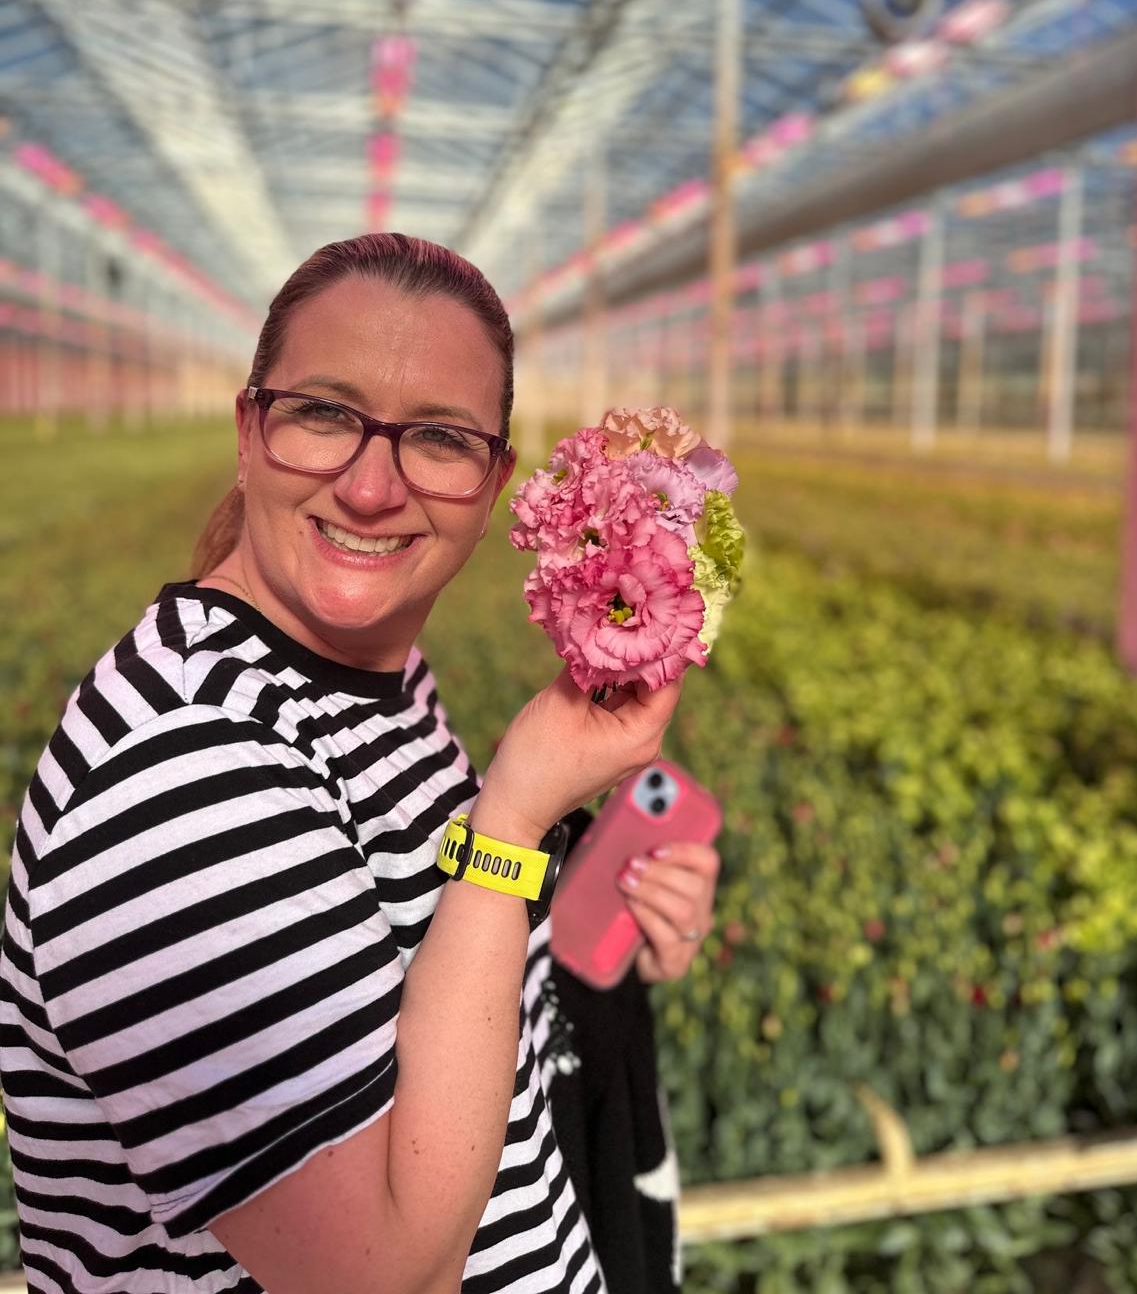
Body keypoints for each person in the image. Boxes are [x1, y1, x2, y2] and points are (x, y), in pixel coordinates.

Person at [0, 232, 719, 1294]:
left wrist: (587, 938)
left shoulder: (367, 685)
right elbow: (381, 1272)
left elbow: (431, 1022)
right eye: (325, 414)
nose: (373, 486)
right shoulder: (173, 776)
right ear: (250, 429)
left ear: (495, 483)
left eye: (437, 435)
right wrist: (512, 821)